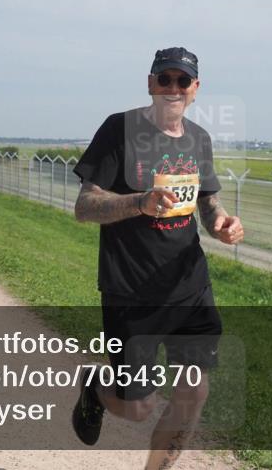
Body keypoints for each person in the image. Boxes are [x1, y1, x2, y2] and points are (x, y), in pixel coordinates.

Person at [71, 47, 245, 470]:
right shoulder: (119, 130)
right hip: (131, 290)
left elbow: (207, 203)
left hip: (189, 285)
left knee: (194, 392)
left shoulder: (199, 139)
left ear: (195, 89)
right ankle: (96, 390)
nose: (172, 88)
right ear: (150, 83)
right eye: (163, 79)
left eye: (182, 81)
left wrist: (221, 223)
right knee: (139, 406)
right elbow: (85, 206)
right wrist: (139, 203)